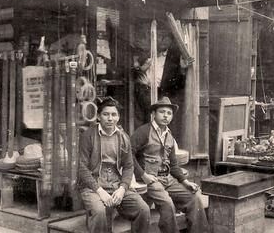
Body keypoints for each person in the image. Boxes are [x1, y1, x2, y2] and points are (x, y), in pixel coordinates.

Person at [131, 97, 209, 233]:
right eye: (162, 112)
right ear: (153, 114)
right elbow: (128, 155)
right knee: (167, 204)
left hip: (168, 179)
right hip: (151, 181)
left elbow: (173, 165)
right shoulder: (143, 131)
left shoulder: (169, 136)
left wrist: (185, 182)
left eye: (169, 113)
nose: (166, 116)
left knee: (194, 199)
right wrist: (143, 175)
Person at [78, 97, 150, 233]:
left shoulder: (123, 137)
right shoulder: (88, 136)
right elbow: (82, 168)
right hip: (93, 187)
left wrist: (122, 189)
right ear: (98, 116)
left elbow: (129, 166)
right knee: (100, 212)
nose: (110, 118)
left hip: (116, 185)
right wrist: (100, 191)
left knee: (143, 209)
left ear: (118, 117)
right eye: (106, 114)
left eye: (114, 114)